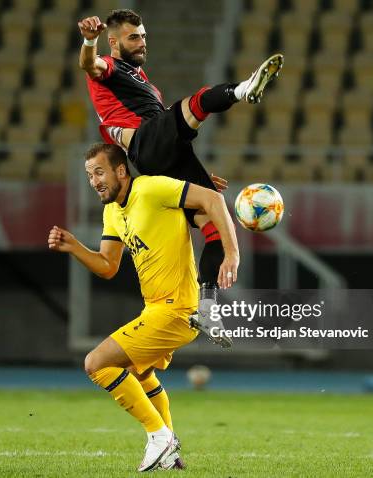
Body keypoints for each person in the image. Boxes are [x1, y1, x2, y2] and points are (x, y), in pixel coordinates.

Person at [77, 9, 282, 345]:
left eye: (143, 35)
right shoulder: (109, 67)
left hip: (164, 153)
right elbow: (89, 64)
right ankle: (244, 89)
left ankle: (207, 306)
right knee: (197, 102)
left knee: (212, 223)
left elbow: (164, 134)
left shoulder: (146, 85)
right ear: (113, 42)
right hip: (145, 141)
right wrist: (88, 40)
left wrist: (190, 179)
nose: (142, 42)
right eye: (133, 37)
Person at [47, 143, 239, 471]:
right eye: (89, 174)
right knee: (141, 374)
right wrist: (74, 246)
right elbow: (108, 265)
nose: (93, 180)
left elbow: (213, 198)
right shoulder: (112, 211)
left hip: (177, 308)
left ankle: (160, 437)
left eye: (99, 171)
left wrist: (232, 253)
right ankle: (170, 456)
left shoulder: (152, 188)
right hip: (155, 309)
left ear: (121, 171)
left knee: (96, 363)